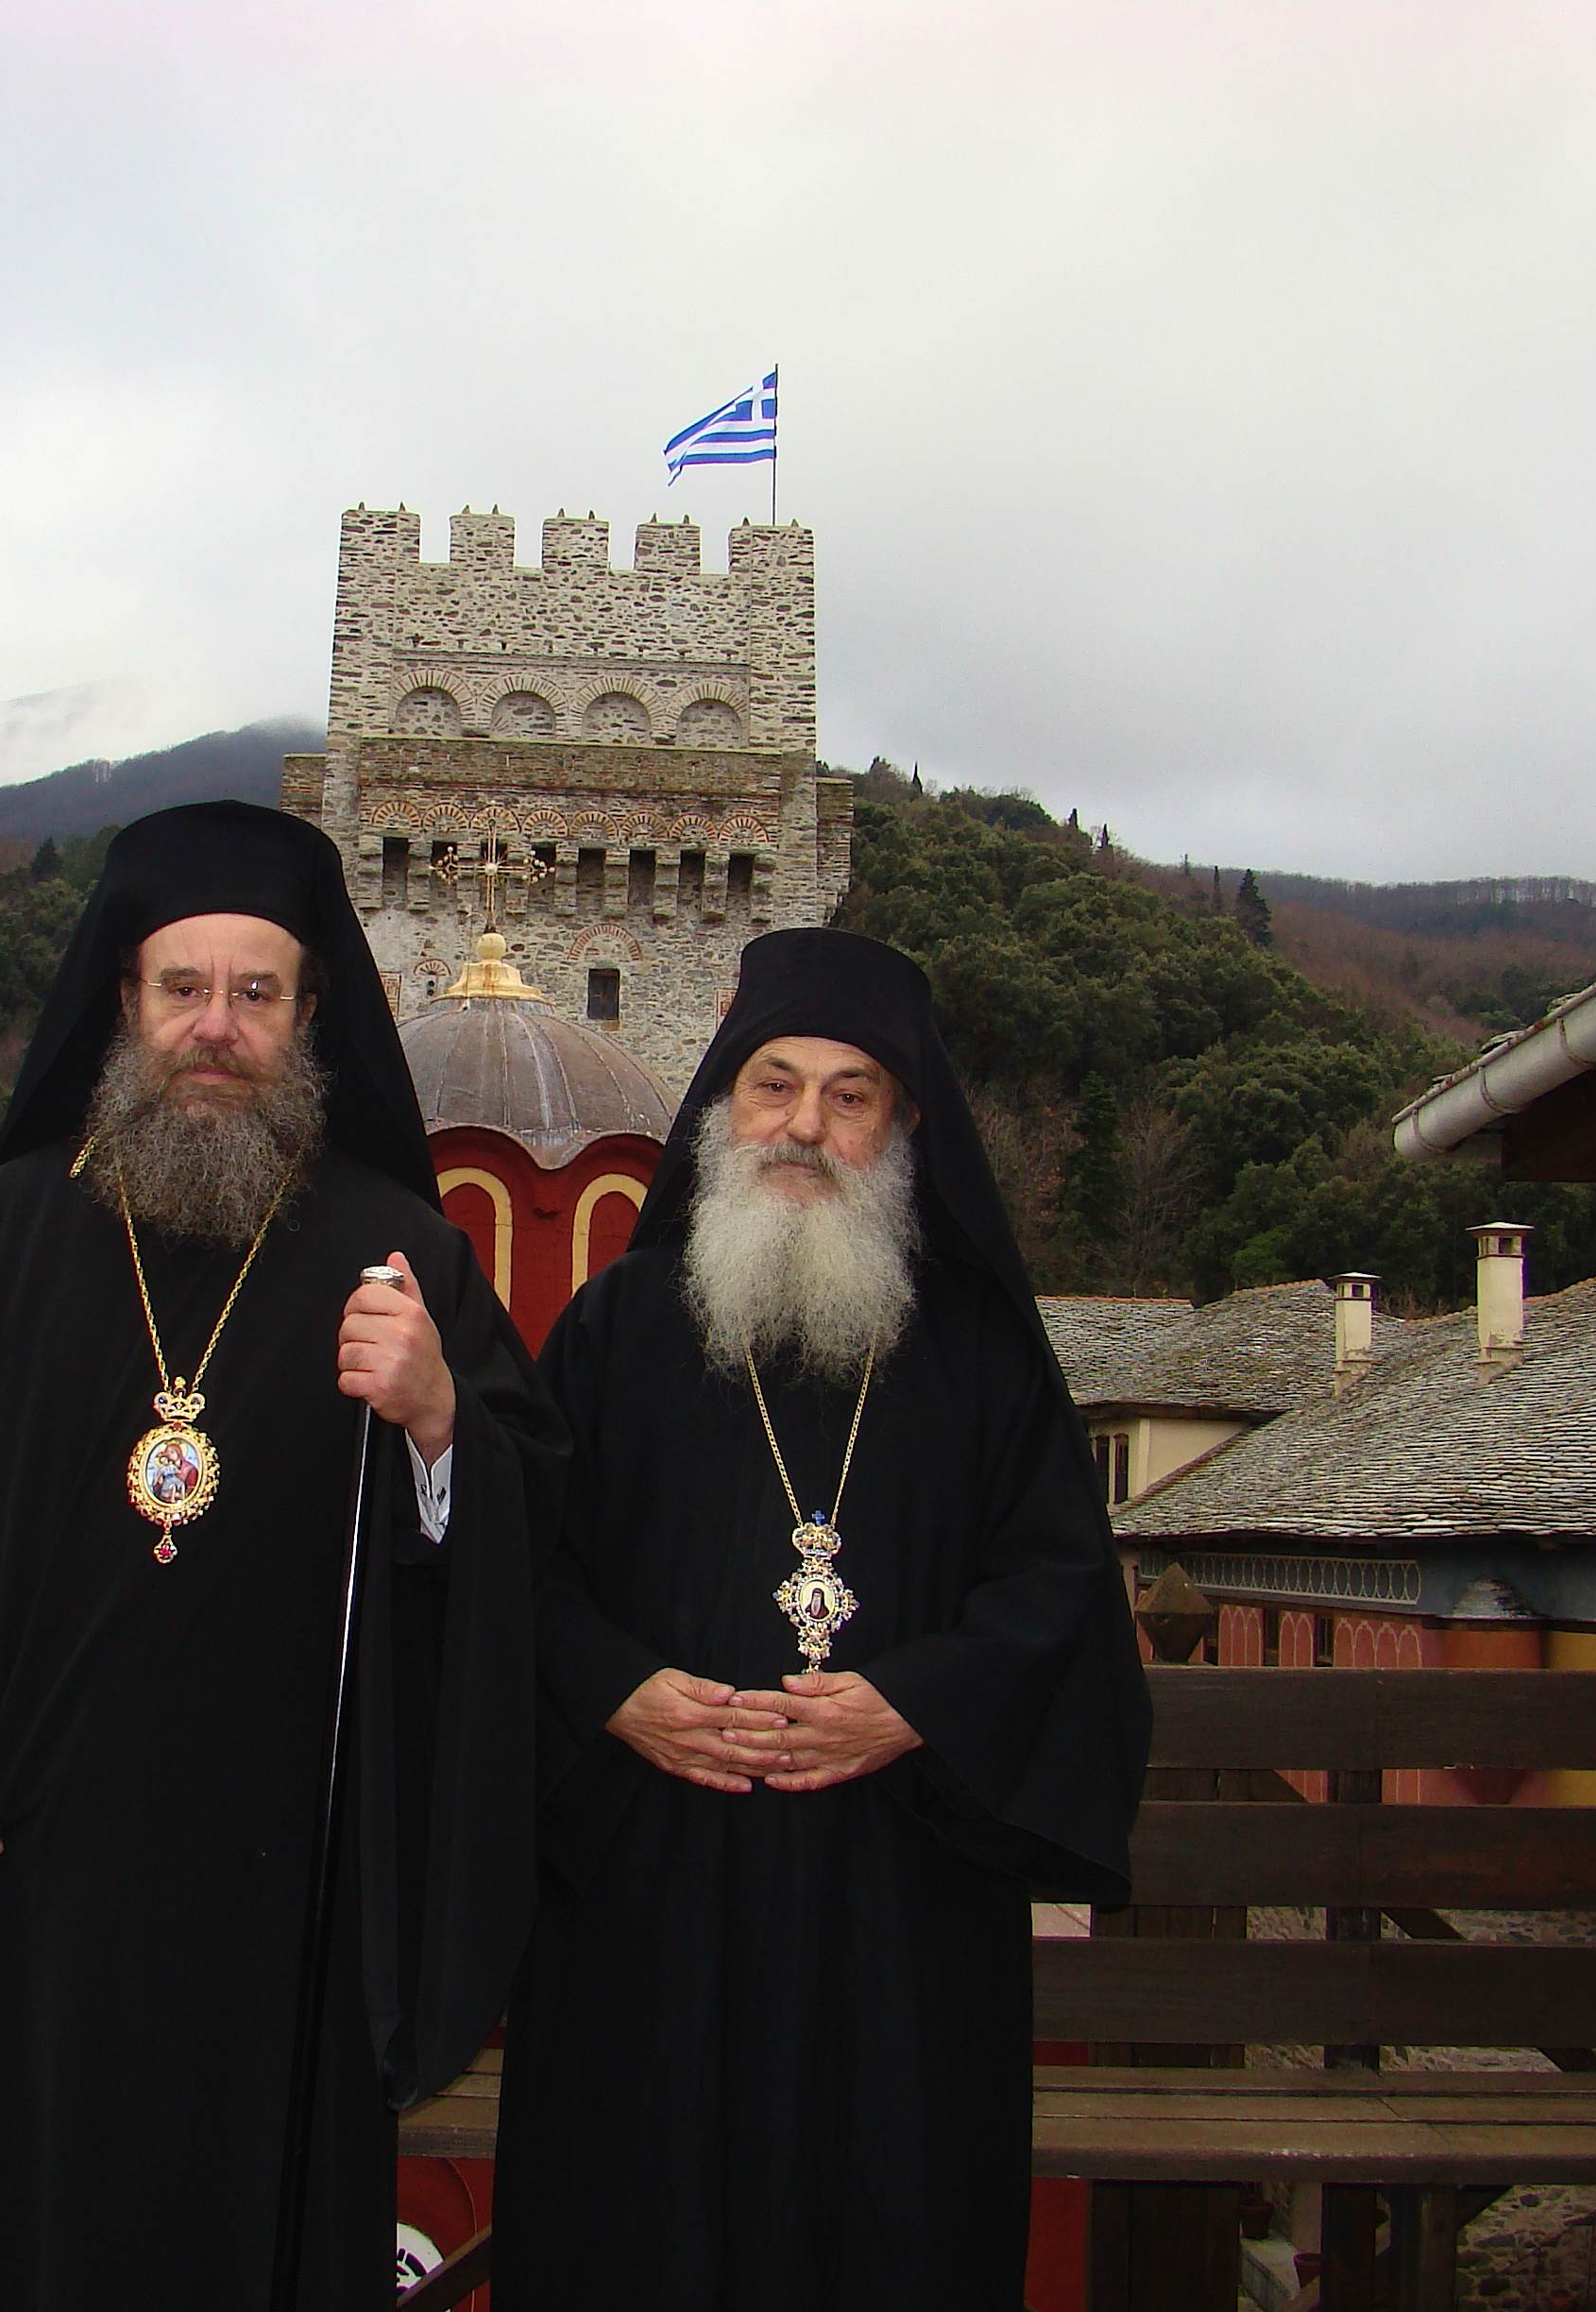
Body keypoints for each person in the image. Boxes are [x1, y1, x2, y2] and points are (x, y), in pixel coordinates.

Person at [0, 802, 562, 2309]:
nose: (218, 1027)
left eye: (255, 993)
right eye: (185, 989)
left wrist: (438, 1419)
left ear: (309, 1014)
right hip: (23, 1887)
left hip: (280, 1916)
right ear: (125, 1002)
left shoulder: (402, 1253)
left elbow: (529, 1544)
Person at [496, 926, 1149, 2310]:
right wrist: (616, 1689)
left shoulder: (982, 1351)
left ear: (903, 1128)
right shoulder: (618, 1328)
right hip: (650, 1895)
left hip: (899, 1909)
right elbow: (517, 1570)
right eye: (773, 1085)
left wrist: (914, 1703)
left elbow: (1060, 1589)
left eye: (849, 1096)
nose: (803, 1126)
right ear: (722, 1108)